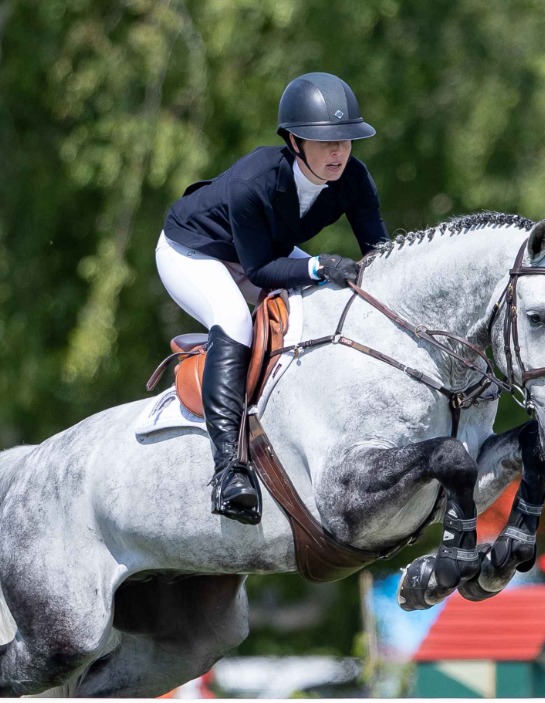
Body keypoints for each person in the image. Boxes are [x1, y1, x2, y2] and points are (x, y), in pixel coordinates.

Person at [157, 72, 389, 524]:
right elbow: (260, 270)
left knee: (324, 302)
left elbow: (379, 257)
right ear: (294, 141)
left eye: (345, 139)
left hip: (260, 252)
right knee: (234, 320)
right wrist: (319, 267)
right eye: (325, 142)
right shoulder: (253, 182)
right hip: (193, 251)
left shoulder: (355, 180)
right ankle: (228, 472)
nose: (338, 151)